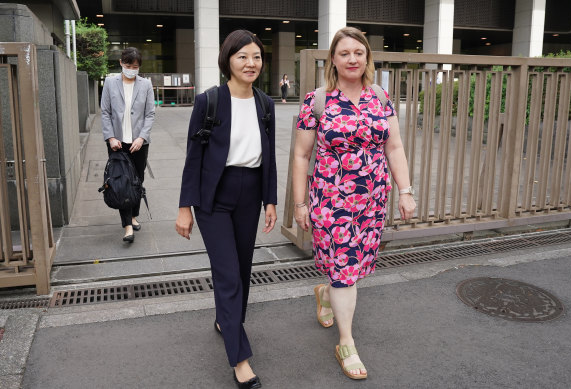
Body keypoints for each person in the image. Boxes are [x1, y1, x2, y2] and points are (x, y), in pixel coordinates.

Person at [292, 27, 416, 380]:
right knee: (346, 270)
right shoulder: (317, 101)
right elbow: (301, 155)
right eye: (344, 53)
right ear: (333, 59)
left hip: (372, 200)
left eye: (358, 53)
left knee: (353, 266)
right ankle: (346, 342)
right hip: (332, 202)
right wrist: (300, 204)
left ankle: (327, 292)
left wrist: (405, 190)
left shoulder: (380, 96)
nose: (352, 59)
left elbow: (394, 147)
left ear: (367, 58)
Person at [175, 29, 277, 389]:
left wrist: (270, 200)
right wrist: (184, 206)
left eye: (257, 57)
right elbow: (193, 157)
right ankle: (240, 358)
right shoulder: (209, 101)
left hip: (250, 193)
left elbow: (269, 156)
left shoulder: (266, 104)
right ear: (228, 60)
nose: (251, 63)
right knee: (228, 274)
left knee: (244, 269)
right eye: (242, 56)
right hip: (213, 197)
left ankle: (225, 320)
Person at [101, 47, 155, 243]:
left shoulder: (146, 85)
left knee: (137, 180)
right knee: (121, 182)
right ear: (121, 63)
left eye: (136, 67)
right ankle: (128, 227)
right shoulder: (110, 82)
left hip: (139, 142)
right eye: (129, 65)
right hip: (117, 142)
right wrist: (110, 137)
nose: (132, 69)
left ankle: (133, 214)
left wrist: (141, 137)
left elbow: (150, 114)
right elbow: (105, 112)